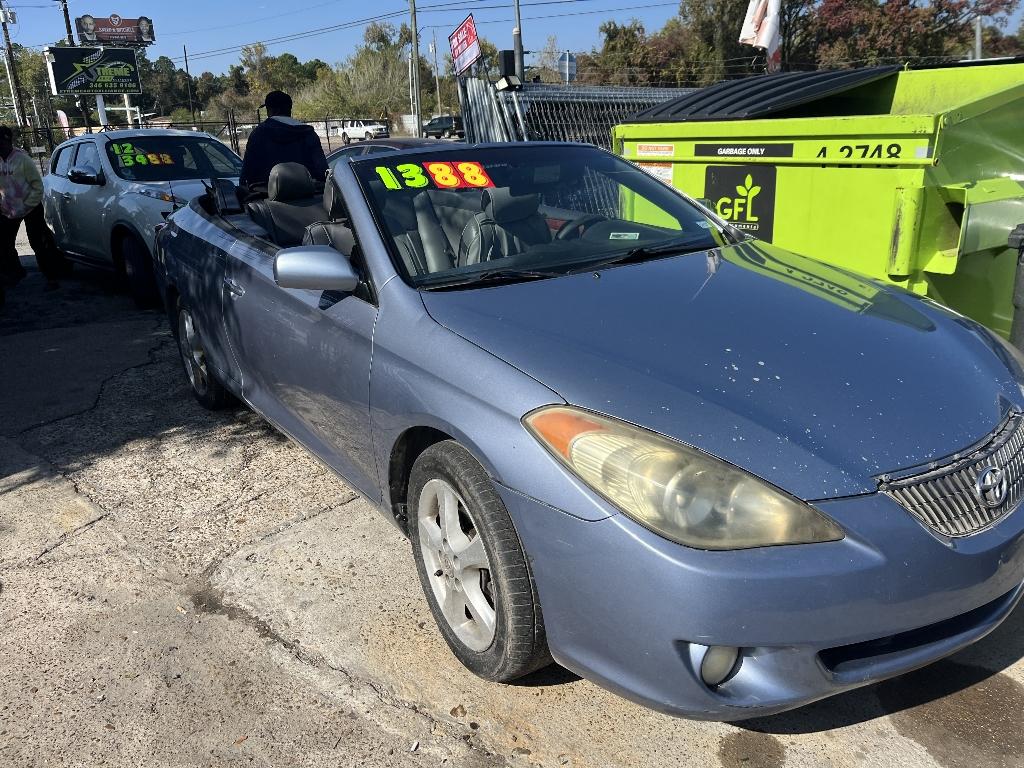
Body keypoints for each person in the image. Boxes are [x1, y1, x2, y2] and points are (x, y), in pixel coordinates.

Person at [0, 126, 61, 293]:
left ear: (7, 142)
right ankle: (16, 272)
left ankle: (51, 276)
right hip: (8, 209)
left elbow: (37, 186)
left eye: (3, 143)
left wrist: (27, 204)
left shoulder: (22, 159)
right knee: (4, 243)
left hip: (30, 206)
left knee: (38, 242)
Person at [239, 90, 328, 190]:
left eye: (268, 109)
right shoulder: (308, 134)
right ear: (289, 109)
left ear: (273, 111)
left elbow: (247, 173)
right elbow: (322, 171)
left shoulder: (259, 134)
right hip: (310, 198)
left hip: (266, 199)